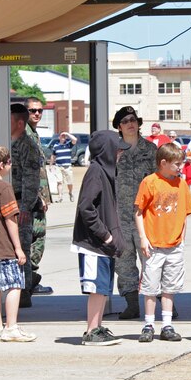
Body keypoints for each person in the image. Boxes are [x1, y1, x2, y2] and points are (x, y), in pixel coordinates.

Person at [134, 143, 191, 343]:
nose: (180, 167)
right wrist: (143, 237)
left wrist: (182, 240)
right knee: (150, 288)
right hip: (154, 245)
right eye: (177, 164)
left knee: (170, 287)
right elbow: (139, 211)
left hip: (174, 245)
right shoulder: (150, 182)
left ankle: (167, 325)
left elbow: (185, 214)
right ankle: (148, 324)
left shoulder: (181, 184)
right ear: (163, 163)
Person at [73, 130, 130, 346]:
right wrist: (105, 234)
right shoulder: (95, 172)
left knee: (103, 288)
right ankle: (90, 330)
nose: (120, 155)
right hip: (92, 244)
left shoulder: (107, 173)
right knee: (96, 289)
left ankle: (97, 326)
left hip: (103, 245)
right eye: (117, 150)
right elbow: (86, 207)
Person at [0, 144, 36, 343]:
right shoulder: (4, 187)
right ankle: (11, 326)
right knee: (14, 285)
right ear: (2, 165)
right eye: (9, 162)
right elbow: (10, 219)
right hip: (4, 245)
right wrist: (18, 247)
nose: (11, 165)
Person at [112, 106, 158, 320]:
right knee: (124, 261)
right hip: (120, 215)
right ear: (119, 127)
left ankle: (162, 301)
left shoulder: (151, 150)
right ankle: (132, 304)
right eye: (125, 121)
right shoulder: (112, 151)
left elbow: (160, 182)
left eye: (133, 119)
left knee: (152, 260)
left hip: (145, 216)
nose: (130, 123)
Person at [10, 103, 42, 307]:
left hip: (21, 202)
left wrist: (26, 208)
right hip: (7, 202)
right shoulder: (6, 142)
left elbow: (31, 180)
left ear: (19, 123)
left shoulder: (27, 145)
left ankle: (23, 292)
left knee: (22, 250)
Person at [25, 97, 53, 296]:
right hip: (32, 199)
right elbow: (28, 170)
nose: (37, 114)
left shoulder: (33, 134)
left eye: (39, 111)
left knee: (37, 237)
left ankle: (30, 279)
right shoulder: (25, 136)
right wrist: (37, 196)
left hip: (39, 199)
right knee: (35, 238)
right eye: (33, 110)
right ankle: (29, 280)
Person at [52, 131, 78, 202]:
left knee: (70, 182)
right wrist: (51, 165)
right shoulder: (56, 145)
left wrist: (67, 134)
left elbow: (75, 140)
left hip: (67, 166)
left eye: (64, 136)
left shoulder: (68, 144)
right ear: (59, 137)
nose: (63, 137)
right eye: (62, 136)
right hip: (58, 166)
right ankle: (60, 196)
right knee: (59, 182)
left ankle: (70, 193)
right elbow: (53, 155)